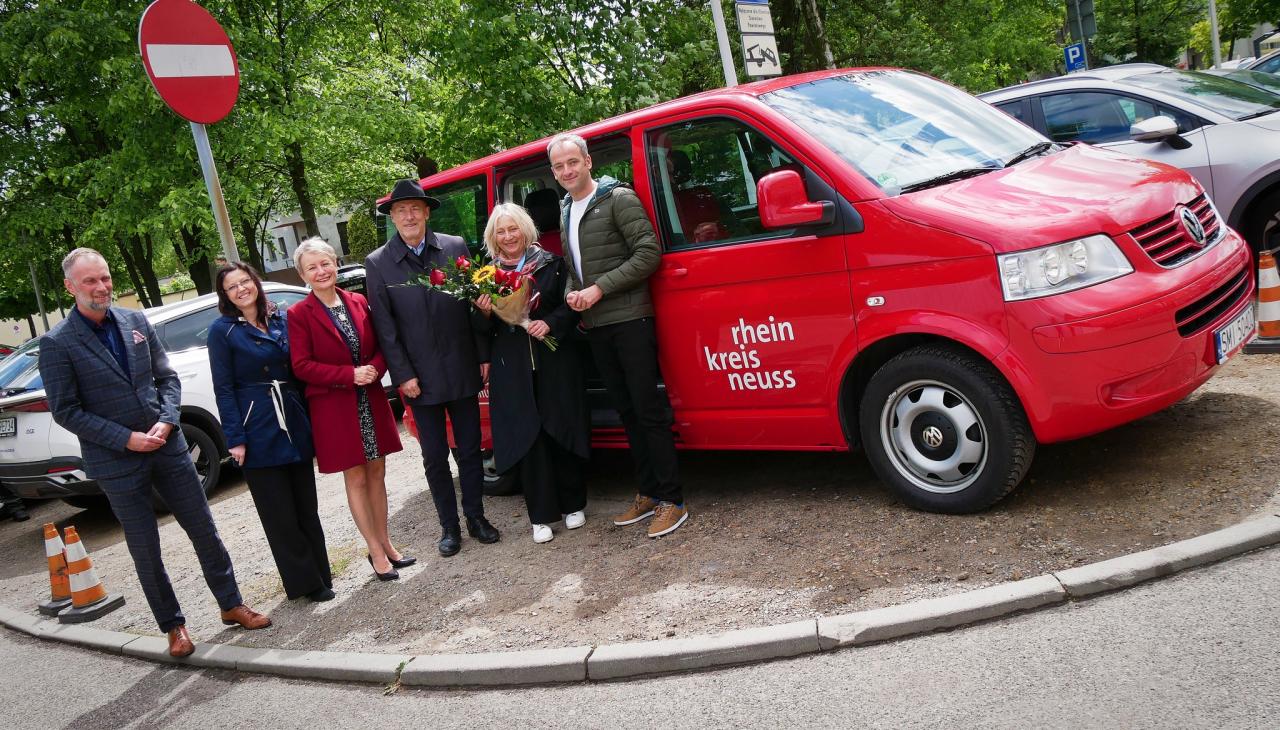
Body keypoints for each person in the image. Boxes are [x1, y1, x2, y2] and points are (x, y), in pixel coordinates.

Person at [40, 248, 270, 658]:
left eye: (105, 277)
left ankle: (232, 605)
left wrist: (167, 420)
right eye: (90, 281)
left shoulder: (134, 319)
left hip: (169, 448)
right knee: (145, 548)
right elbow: (66, 410)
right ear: (69, 287)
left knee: (204, 529)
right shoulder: (58, 343)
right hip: (116, 460)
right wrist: (124, 439)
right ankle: (173, 627)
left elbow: (166, 379)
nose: (101, 287)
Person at [548, 133, 689, 538]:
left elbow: (648, 253)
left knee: (648, 411)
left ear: (588, 162)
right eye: (559, 166)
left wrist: (599, 288)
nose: (567, 171)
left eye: (573, 162)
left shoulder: (618, 199)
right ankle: (648, 492)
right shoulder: (566, 209)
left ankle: (672, 501)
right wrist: (574, 292)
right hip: (596, 325)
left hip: (630, 319)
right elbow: (576, 266)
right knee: (627, 412)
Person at [364, 179, 500, 556]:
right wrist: (403, 375)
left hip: (461, 366)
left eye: (414, 208)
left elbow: (475, 304)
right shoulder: (378, 264)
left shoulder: (454, 247)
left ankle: (476, 518)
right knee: (434, 457)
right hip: (418, 379)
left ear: (426, 212)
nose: (408, 215)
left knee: (471, 449)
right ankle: (449, 527)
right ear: (392, 216)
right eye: (400, 210)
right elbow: (385, 329)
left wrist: (483, 352)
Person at [207, 262, 334, 602]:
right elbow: (223, 388)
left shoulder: (281, 318)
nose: (241, 289)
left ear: (256, 282)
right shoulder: (222, 331)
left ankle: (321, 573)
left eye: (245, 281)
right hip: (257, 423)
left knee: (306, 505)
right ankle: (304, 583)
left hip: (292, 416)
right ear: (225, 295)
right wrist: (234, 438)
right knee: (279, 513)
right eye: (232, 287)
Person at [286, 238, 412, 580]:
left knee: (377, 473)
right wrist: (348, 375)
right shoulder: (299, 314)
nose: (321, 271)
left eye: (325, 263)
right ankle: (374, 550)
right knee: (355, 476)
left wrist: (375, 368)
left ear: (335, 264)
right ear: (303, 275)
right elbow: (301, 365)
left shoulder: (358, 301)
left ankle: (386, 543)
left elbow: (383, 343)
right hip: (334, 407)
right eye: (312, 267)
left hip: (369, 399)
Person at [474, 203, 589, 544]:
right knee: (530, 437)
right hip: (513, 368)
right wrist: (482, 312)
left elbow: (570, 309)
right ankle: (540, 516)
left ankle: (573, 505)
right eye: (501, 231)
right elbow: (478, 330)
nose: (508, 236)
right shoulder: (485, 276)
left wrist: (548, 323)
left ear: (526, 230)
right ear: (493, 238)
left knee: (561, 428)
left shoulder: (552, 265)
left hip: (554, 360)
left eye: (513, 229)